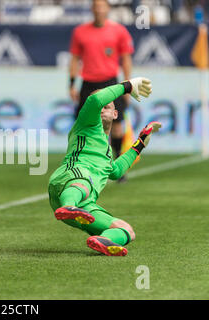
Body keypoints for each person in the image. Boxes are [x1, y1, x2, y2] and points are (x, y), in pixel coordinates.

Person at [48, 78, 161, 256]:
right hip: (68, 181)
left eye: (106, 107)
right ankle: (68, 206)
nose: (101, 109)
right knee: (85, 181)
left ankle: (103, 240)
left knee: (127, 230)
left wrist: (139, 145)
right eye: (100, 106)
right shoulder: (87, 124)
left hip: (84, 206)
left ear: (116, 114)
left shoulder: (107, 152)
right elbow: (94, 100)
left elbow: (115, 171)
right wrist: (127, 86)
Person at [68, 0, 133, 181]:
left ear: (108, 9)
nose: (99, 10)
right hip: (88, 83)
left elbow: (126, 59)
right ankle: (80, 163)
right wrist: (72, 83)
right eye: (96, 6)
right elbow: (74, 59)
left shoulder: (118, 31)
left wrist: (127, 86)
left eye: (102, 6)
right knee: (82, 124)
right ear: (92, 9)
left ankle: (117, 163)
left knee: (117, 124)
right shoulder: (80, 32)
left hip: (110, 82)